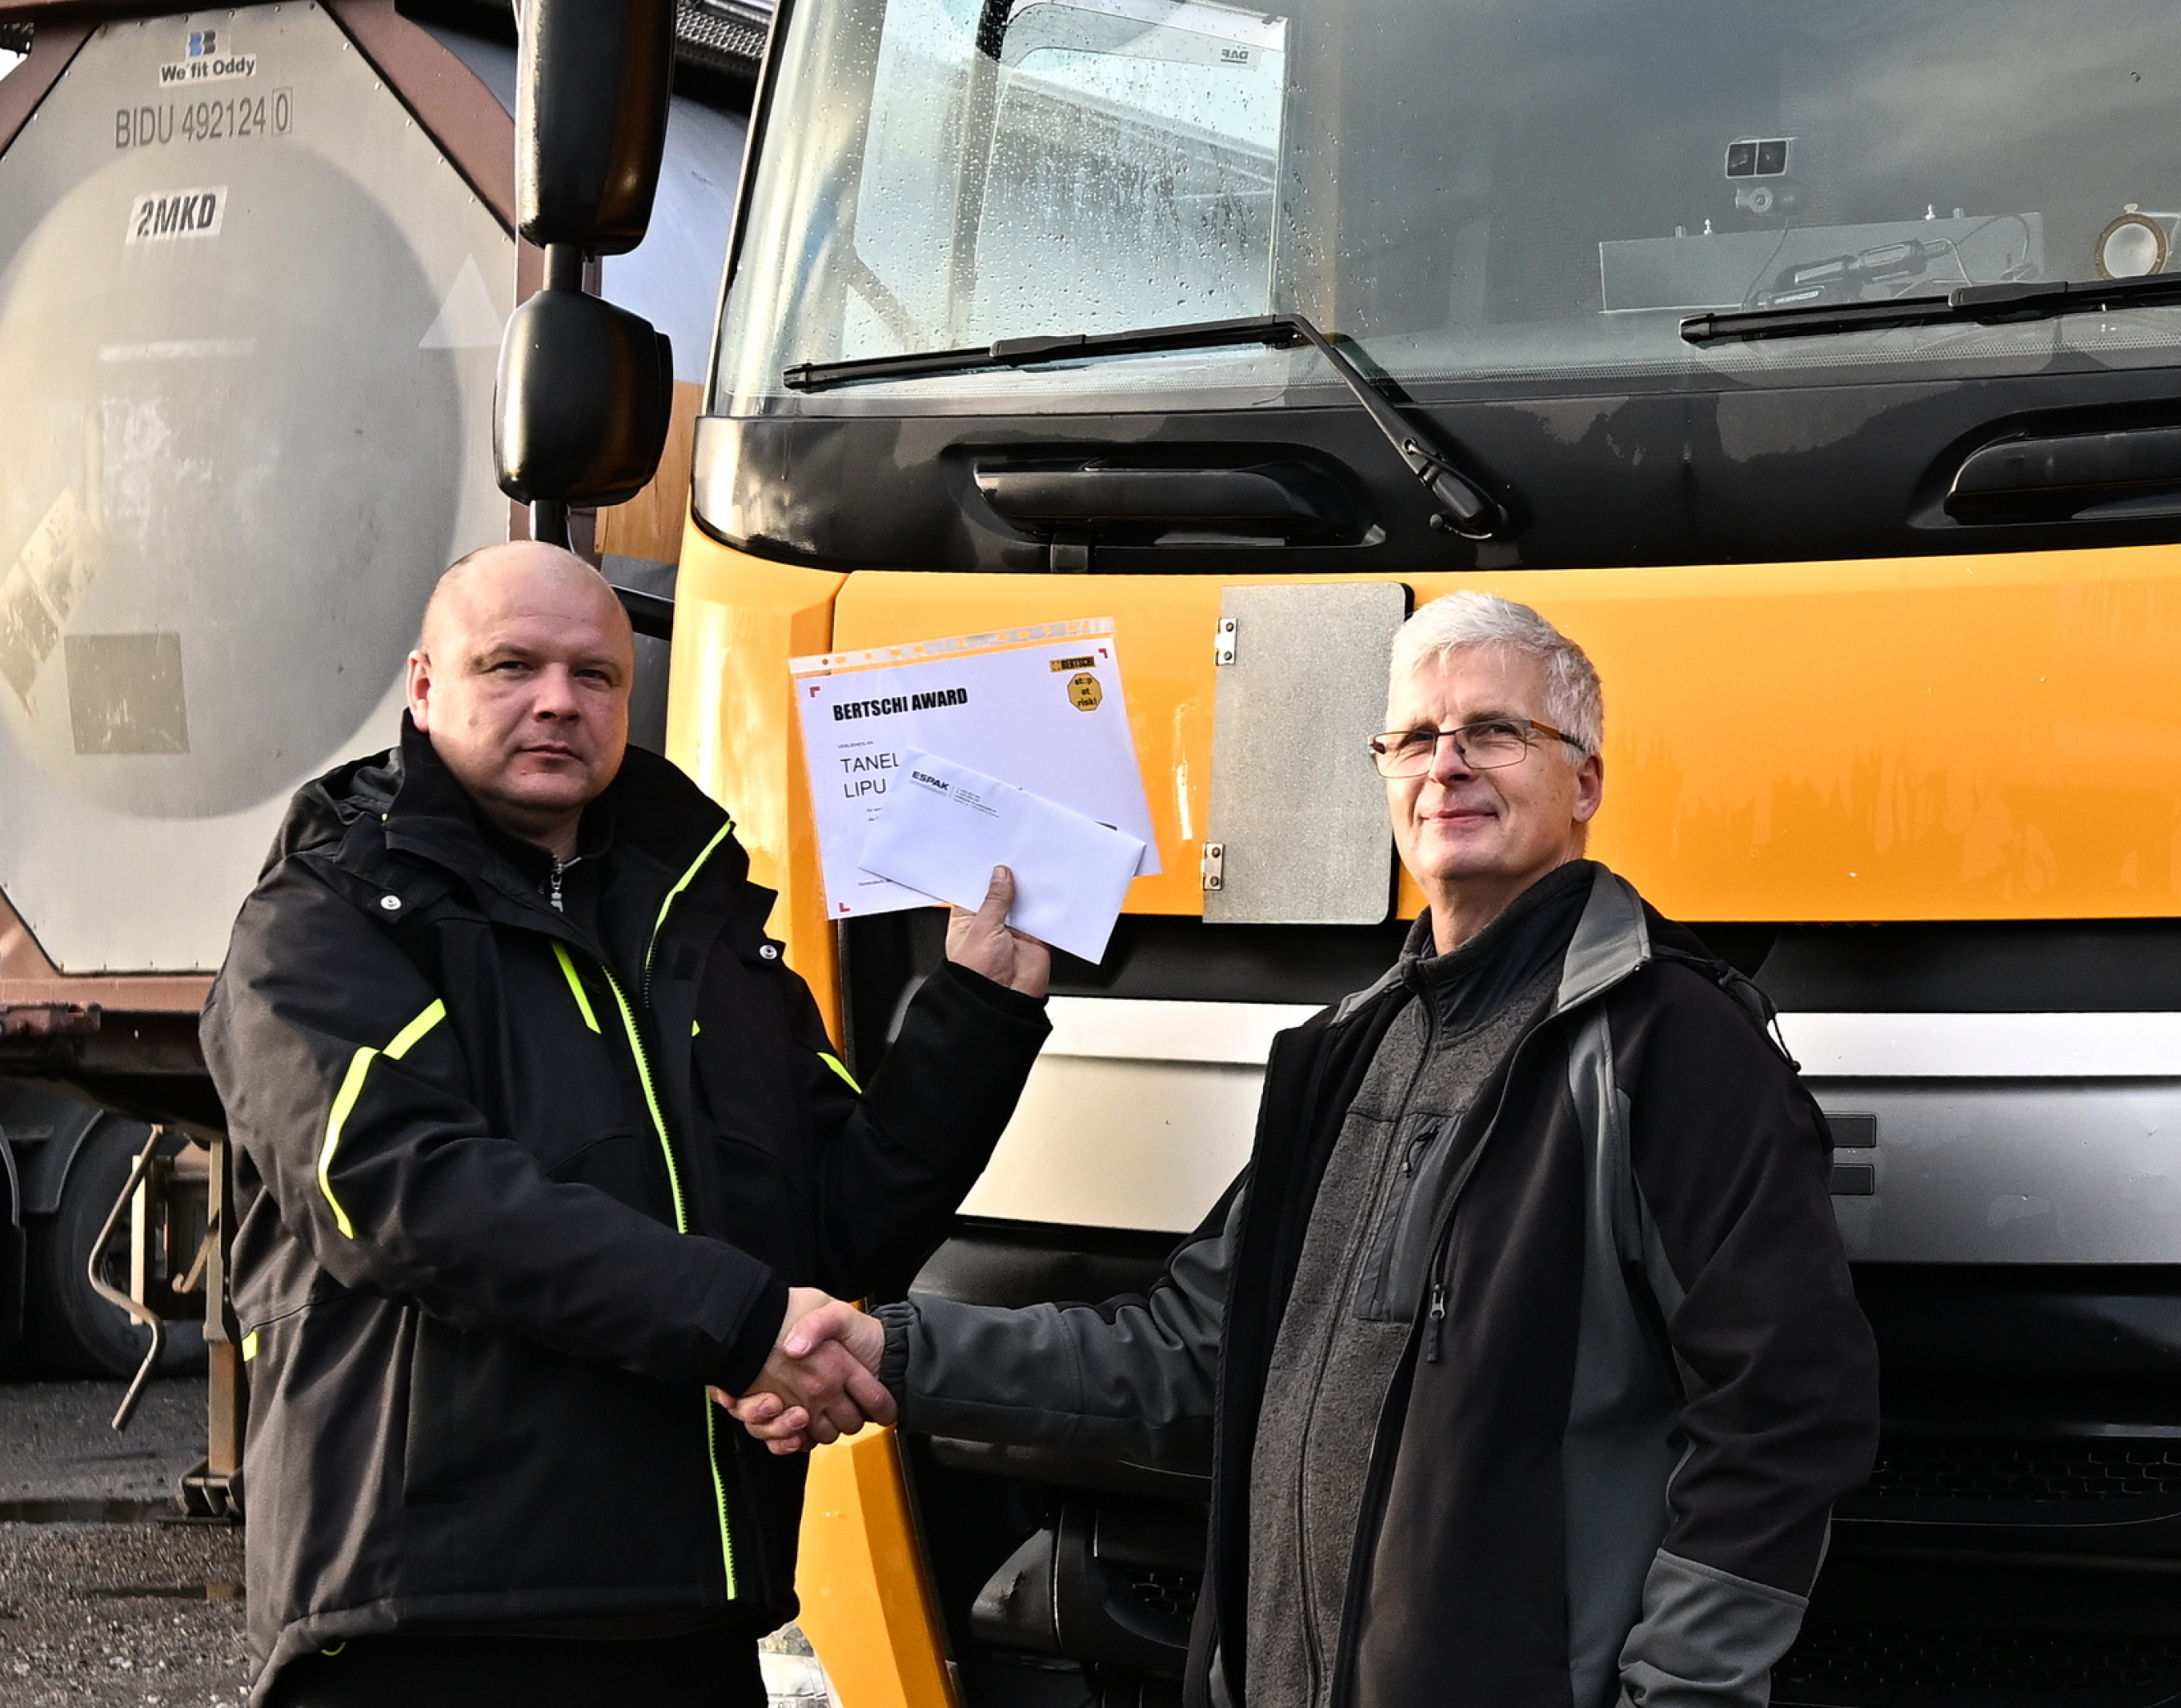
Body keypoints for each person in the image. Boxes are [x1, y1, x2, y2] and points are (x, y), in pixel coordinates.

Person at [737, 592, 1880, 1708]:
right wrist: (889, 1351)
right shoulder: (1341, 1055)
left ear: (1585, 780)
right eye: (1416, 739)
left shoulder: (1672, 1042)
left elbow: (1785, 1407)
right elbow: (1185, 1357)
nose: (1448, 765)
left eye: (1495, 732)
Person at [204, 541, 1056, 1706]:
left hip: (686, 1620)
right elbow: (406, 1193)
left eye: (596, 676)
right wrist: (741, 1322)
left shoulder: (702, 923)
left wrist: (978, 1007)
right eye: (511, 666)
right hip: (432, 1625)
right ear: (422, 685)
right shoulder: (328, 913)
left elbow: (839, 1224)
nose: (558, 701)